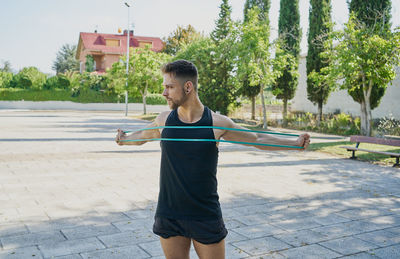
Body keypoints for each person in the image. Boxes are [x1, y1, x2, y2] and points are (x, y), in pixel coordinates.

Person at [116, 60, 310, 259]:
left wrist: (294, 143)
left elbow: (256, 138)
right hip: (169, 212)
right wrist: (124, 139)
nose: (164, 93)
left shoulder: (216, 123)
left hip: (205, 214)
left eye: (169, 87)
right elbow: (141, 137)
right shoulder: (164, 120)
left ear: (188, 87)